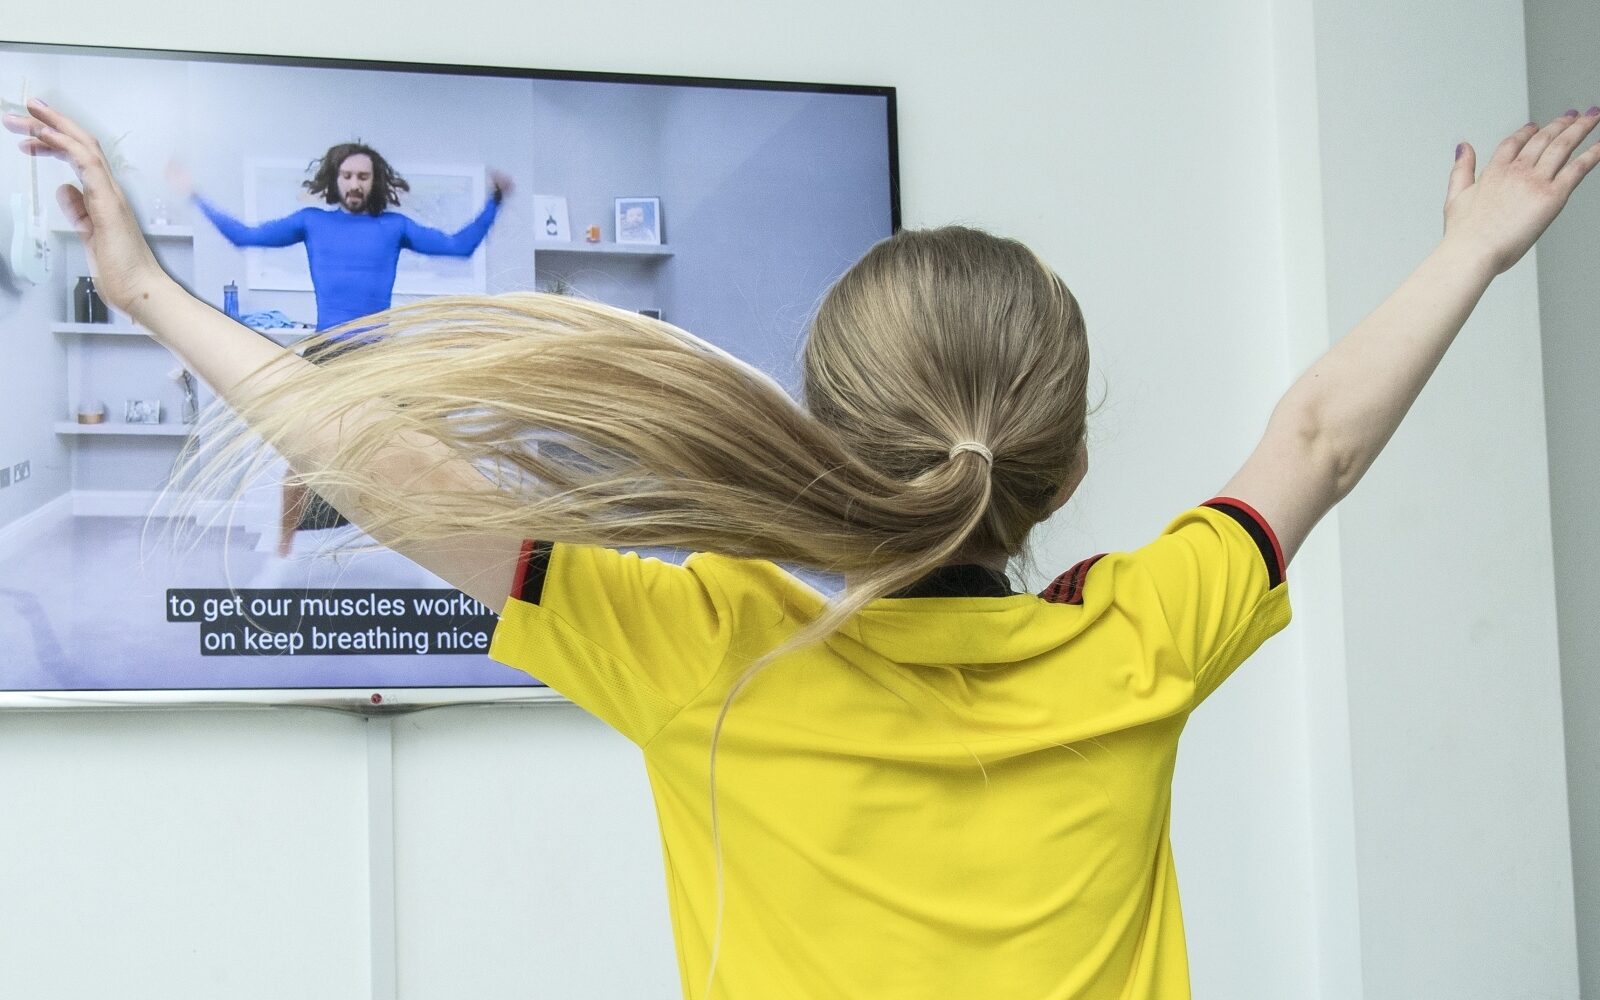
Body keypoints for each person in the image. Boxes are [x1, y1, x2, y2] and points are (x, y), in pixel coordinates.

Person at [8, 97, 1597, 999]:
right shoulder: (1140, 641)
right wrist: (1470, 249)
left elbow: (384, 464)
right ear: (1068, 469)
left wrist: (142, 291)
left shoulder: (710, 651)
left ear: (832, 438)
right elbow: (1316, 442)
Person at [167, 144, 516, 554]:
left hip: (377, 358)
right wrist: (195, 196)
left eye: (363, 177)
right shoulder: (312, 222)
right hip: (326, 355)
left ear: (374, 182)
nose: (354, 184)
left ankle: (423, 537)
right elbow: (244, 236)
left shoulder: (394, 227)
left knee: (409, 444)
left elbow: (459, 247)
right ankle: (284, 545)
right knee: (302, 455)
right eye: (347, 176)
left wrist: (495, 200)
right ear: (336, 180)